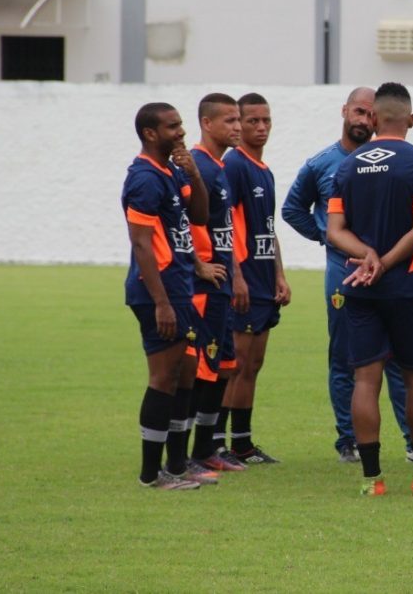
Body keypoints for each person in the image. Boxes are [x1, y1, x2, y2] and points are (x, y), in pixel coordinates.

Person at [281, 87, 413, 464]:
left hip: (390, 268)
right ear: (345, 111)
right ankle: (349, 440)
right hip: (343, 273)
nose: (362, 119)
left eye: (369, 113)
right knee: (346, 359)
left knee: (400, 359)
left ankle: (412, 441)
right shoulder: (323, 163)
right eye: (357, 111)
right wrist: (328, 238)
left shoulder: (392, 161)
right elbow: (292, 209)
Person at [326, 82, 413, 497]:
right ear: (410, 120)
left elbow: (334, 230)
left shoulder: (347, 166)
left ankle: (371, 479)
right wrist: (386, 263)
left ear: (373, 119)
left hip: (358, 286)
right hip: (406, 287)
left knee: (364, 380)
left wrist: (368, 257)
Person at [123, 102, 212, 490]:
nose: (181, 131)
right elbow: (141, 244)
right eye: (173, 126)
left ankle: (176, 466)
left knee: (182, 374)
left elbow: (200, 217)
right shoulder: (144, 178)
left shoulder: (173, 172)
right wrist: (160, 302)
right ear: (150, 133)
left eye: (180, 125)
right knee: (163, 378)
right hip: (156, 292)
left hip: (179, 288)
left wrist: (193, 173)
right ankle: (150, 475)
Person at [220, 92, 291, 465]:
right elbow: (225, 224)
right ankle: (216, 444)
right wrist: (236, 277)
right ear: (238, 123)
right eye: (252, 121)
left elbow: (267, 227)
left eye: (266, 120)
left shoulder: (264, 169)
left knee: (252, 365)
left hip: (264, 282)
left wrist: (279, 273)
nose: (260, 127)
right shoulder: (234, 166)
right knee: (234, 365)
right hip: (244, 281)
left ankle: (242, 445)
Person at [187, 93, 248, 473]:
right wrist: (198, 265)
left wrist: (233, 273)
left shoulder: (217, 167)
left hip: (222, 288)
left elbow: (222, 231)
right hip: (203, 291)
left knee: (224, 366)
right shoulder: (198, 168)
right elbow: (179, 221)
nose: (238, 127)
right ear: (207, 124)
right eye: (229, 120)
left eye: (238, 119)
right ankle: (190, 452)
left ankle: (206, 447)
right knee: (202, 370)